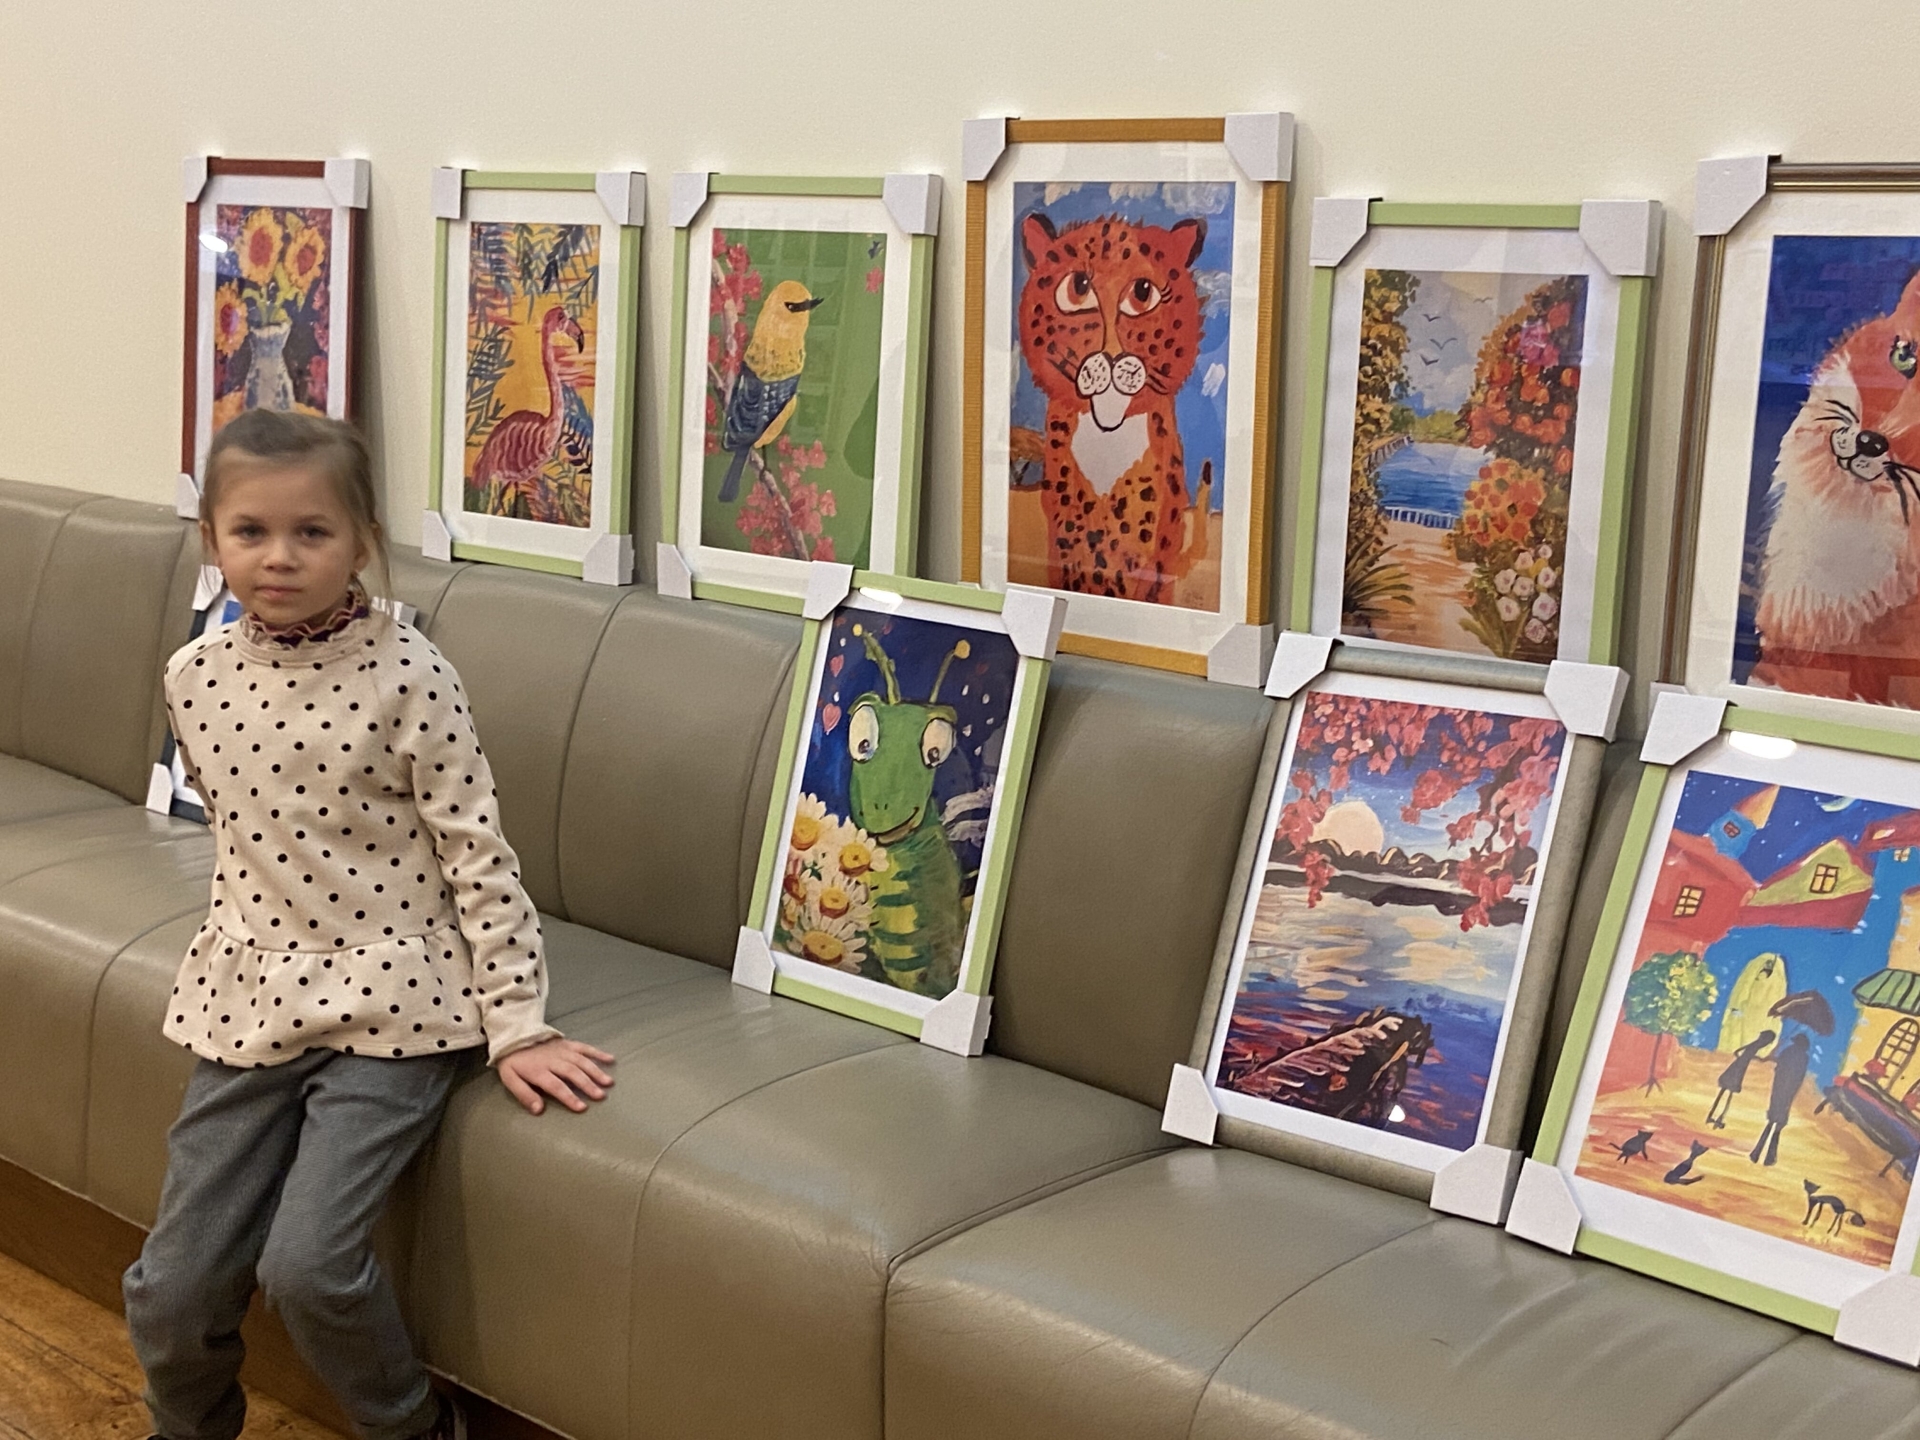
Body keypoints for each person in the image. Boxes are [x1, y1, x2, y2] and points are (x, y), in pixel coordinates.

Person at [122, 410, 616, 1440]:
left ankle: (416, 1428)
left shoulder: (411, 674)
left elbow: (478, 857)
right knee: (169, 1290)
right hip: (249, 1006)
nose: (280, 557)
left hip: (397, 1007)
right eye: (250, 531)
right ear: (211, 539)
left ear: (362, 543)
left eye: (312, 532)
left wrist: (518, 1025)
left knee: (309, 1268)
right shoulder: (192, 678)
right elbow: (247, 840)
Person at [1750, 1030, 1810, 1167]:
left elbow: (1778, 1067)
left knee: (1771, 1122)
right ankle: (1769, 1157)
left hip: (1779, 1089)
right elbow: (1799, 1078)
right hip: (1788, 1093)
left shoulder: (1788, 1051)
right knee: (1778, 1126)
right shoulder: (1804, 1058)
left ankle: (1757, 1153)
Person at [1705, 1028, 1775, 1130]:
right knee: (1728, 1093)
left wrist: (1744, 1058)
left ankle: (1715, 1117)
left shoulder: (1755, 1045)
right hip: (1739, 1067)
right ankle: (1717, 1117)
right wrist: (1745, 1059)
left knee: (1725, 1092)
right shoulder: (1755, 1045)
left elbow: (1739, 1052)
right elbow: (1740, 1052)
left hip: (1739, 1066)